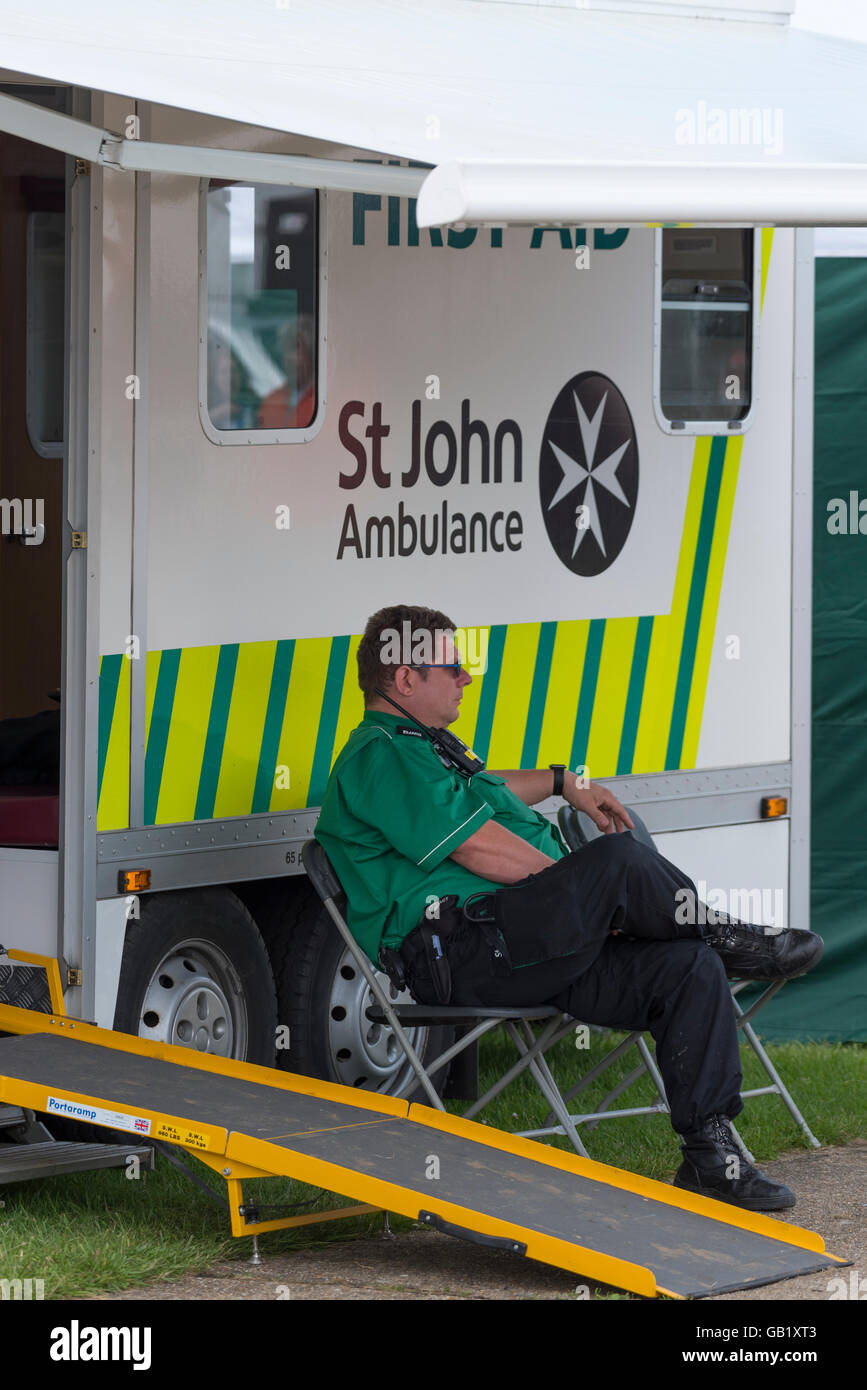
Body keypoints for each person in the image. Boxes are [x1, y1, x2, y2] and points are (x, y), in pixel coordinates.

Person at [315, 604, 824, 1212]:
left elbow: (489, 793)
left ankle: (713, 1160)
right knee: (613, 861)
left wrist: (563, 781)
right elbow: (477, 847)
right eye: (454, 666)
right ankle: (731, 936)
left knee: (688, 967)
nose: (466, 678)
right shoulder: (381, 755)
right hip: (463, 953)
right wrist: (580, 889)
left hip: (524, 948)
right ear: (404, 678)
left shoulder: (422, 749)